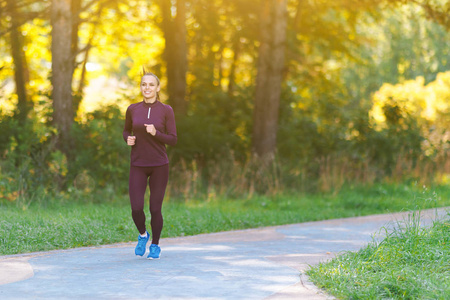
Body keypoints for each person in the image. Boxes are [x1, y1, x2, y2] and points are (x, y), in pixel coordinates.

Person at [123, 71, 177, 259]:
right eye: (144, 84)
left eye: (151, 85)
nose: (147, 88)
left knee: (155, 208)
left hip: (159, 165)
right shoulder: (132, 109)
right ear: (140, 87)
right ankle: (143, 235)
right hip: (138, 164)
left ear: (158, 88)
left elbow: (173, 139)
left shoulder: (166, 110)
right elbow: (126, 130)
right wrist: (127, 139)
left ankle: (155, 245)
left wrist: (156, 133)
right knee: (136, 207)